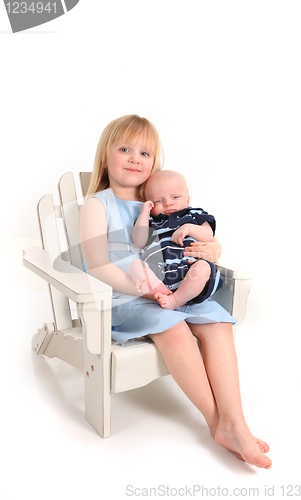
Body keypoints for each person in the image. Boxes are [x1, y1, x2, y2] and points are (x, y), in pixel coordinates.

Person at [79, 114, 272, 469]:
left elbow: (196, 235)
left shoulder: (160, 200)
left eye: (145, 153)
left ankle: (235, 420)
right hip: (124, 297)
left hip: (176, 289)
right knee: (172, 326)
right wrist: (147, 292)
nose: (136, 158)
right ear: (106, 156)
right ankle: (221, 424)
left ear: (155, 162)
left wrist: (212, 250)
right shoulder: (99, 205)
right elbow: (98, 265)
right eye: (125, 149)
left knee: (216, 322)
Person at [128, 169, 223, 310]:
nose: (168, 203)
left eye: (175, 197)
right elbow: (139, 241)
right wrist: (144, 213)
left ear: (188, 199)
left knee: (204, 267)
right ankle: (159, 289)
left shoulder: (194, 215)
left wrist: (190, 228)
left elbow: (208, 235)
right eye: (159, 201)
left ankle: (175, 299)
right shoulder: (151, 221)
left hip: (190, 270)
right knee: (135, 265)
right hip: (159, 273)